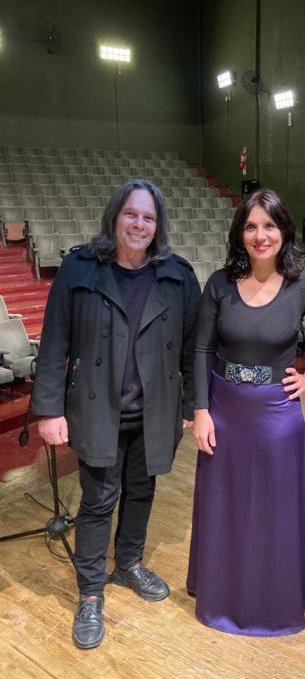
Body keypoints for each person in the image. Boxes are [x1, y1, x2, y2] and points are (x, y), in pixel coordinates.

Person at [32, 178, 200, 650]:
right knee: (99, 500)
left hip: (156, 411)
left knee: (142, 491)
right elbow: (54, 342)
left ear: (158, 226)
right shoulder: (79, 267)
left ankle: (128, 564)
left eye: (148, 217)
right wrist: (49, 410)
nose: (139, 224)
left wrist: (190, 405)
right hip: (95, 408)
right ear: (115, 216)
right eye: (131, 214)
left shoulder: (178, 276)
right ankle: (90, 593)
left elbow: (193, 349)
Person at [187, 188, 305, 636]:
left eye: (269, 226)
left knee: (274, 510)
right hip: (224, 411)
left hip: (277, 414)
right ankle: (224, 597)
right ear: (240, 234)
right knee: (227, 507)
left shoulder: (304, 287)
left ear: (284, 231)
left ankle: (274, 601)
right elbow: (202, 348)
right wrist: (201, 410)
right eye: (252, 226)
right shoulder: (219, 284)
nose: (261, 235)